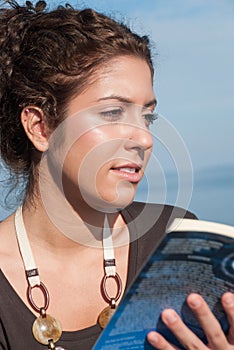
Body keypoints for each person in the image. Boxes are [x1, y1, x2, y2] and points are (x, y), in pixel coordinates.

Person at [0, 1, 234, 349]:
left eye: (147, 117)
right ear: (41, 127)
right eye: (112, 113)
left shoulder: (175, 241)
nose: (143, 138)